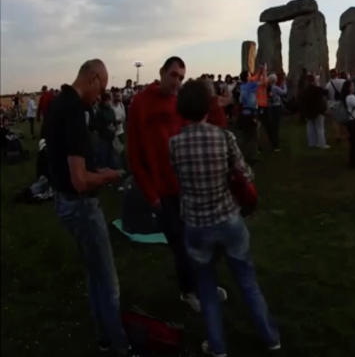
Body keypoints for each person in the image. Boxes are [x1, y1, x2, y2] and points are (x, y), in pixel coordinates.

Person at [168, 80, 281, 356]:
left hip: (196, 223)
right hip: (228, 219)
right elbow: (247, 175)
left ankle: (217, 347)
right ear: (208, 105)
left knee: (206, 288)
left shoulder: (174, 144)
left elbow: (178, 180)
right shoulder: (224, 137)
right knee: (246, 279)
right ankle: (270, 338)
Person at [43, 60, 135, 356]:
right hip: (80, 205)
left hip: (63, 201)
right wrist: (108, 175)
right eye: (102, 88)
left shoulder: (58, 104)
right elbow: (81, 180)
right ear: (93, 78)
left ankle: (103, 339)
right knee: (108, 282)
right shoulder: (74, 112)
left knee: (94, 274)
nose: (101, 96)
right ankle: (121, 345)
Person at [128, 56, 225, 312]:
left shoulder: (181, 103)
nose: (177, 82)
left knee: (202, 241)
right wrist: (151, 194)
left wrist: (212, 99)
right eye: (174, 75)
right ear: (161, 72)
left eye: (181, 77)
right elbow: (135, 154)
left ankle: (205, 283)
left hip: (188, 186)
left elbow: (213, 128)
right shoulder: (140, 103)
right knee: (181, 245)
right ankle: (188, 290)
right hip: (163, 191)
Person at [300, 74, 329, 149]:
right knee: (320, 128)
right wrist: (318, 84)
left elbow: (302, 101)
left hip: (308, 111)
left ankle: (312, 143)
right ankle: (321, 144)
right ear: (314, 81)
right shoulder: (317, 88)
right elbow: (326, 92)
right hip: (318, 111)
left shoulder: (305, 90)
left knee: (310, 128)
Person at [265, 73, 286, 152]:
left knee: (271, 126)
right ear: (274, 80)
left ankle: (272, 143)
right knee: (275, 126)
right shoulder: (275, 88)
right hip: (276, 107)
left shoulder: (268, 88)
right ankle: (276, 145)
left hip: (269, 107)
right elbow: (284, 93)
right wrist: (284, 85)